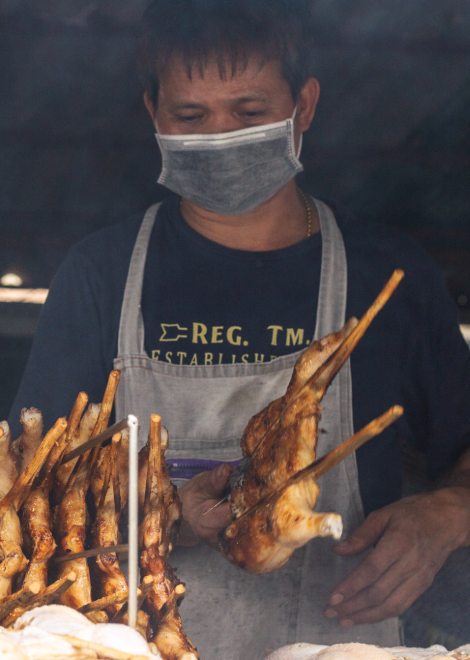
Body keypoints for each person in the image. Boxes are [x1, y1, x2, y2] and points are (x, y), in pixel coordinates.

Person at [8, 1, 470, 658]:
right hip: (128, 644)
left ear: (302, 108)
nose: (220, 135)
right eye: (191, 117)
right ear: (154, 117)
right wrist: (172, 517)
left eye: (249, 114)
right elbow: (34, 498)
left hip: (340, 642)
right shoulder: (102, 274)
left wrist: (447, 515)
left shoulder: (387, 280)